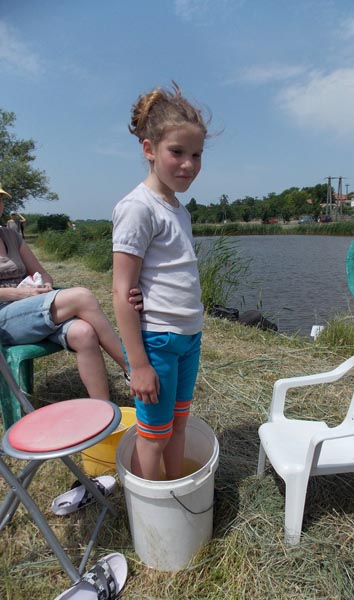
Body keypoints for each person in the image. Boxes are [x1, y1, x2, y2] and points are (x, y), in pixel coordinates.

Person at [112, 82, 208, 480]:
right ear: (149, 149)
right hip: (158, 342)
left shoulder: (177, 208)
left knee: (178, 426)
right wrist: (138, 366)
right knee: (153, 435)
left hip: (189, 337)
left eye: (197, 155)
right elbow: (121, 291)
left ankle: (175, 488)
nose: (188, 164)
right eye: (177, 152)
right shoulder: (138, 208)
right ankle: (149, 509)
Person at [0, 185, 141, 401]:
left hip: (30, 308)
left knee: (84, 333)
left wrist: (44, 286)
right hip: (5, 320)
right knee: (82, 297)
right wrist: (23, 295)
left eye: (0, 198)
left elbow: (43, 273)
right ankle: (133, 369)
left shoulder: (11, 235)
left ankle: (102, 413)